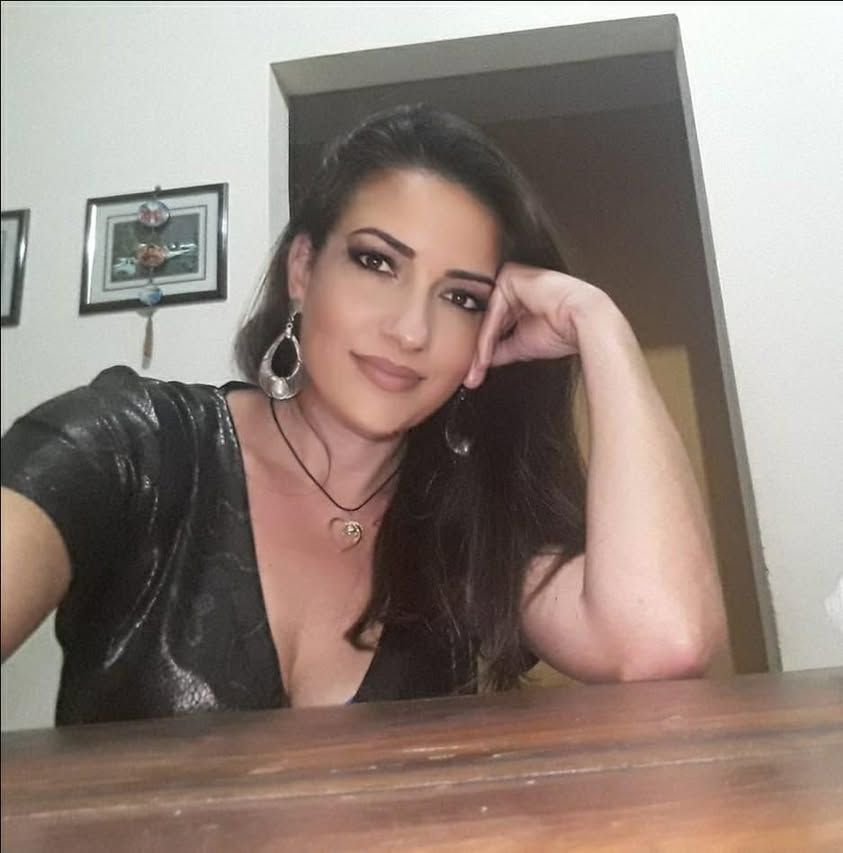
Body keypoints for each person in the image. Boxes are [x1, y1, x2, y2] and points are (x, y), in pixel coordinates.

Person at [0, 104, 727, 725]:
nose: (410, 331)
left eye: (461, 297)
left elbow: (661, 642)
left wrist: (597, 322)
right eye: (377, 262)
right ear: (302, 269)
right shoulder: (127, 446)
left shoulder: (468, 526)